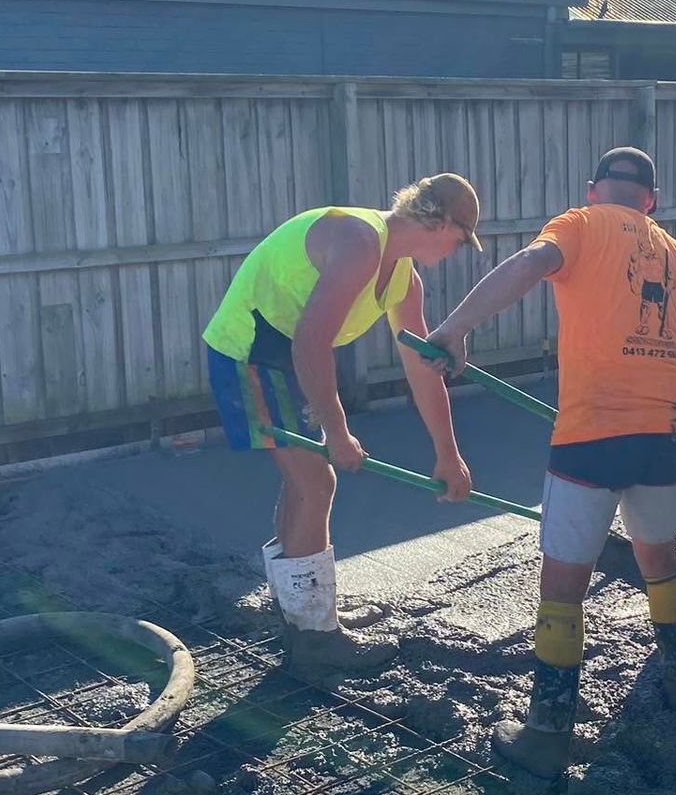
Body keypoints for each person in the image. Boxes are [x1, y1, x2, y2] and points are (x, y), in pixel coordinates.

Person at [420, 146, 676, 778]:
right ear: (652, 201)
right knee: (662, 561)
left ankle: (548, 733)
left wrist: (453, 328)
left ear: (593, 190)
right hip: (664, 437)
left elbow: (531, 265)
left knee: (564, 584)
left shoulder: (580, 226)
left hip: (591, 434)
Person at [205, 175, 481, 673]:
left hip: (285, 355)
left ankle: (301, 610)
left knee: (304, 480)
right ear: (438, 222)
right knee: (316, 479)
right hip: (249, 351)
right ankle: (314, 639)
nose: (459, 250)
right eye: (461, 239)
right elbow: (311, 342)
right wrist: (337, 432)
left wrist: (448, 453)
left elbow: (420, 365)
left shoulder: (404, 279)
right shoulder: (359, 241)